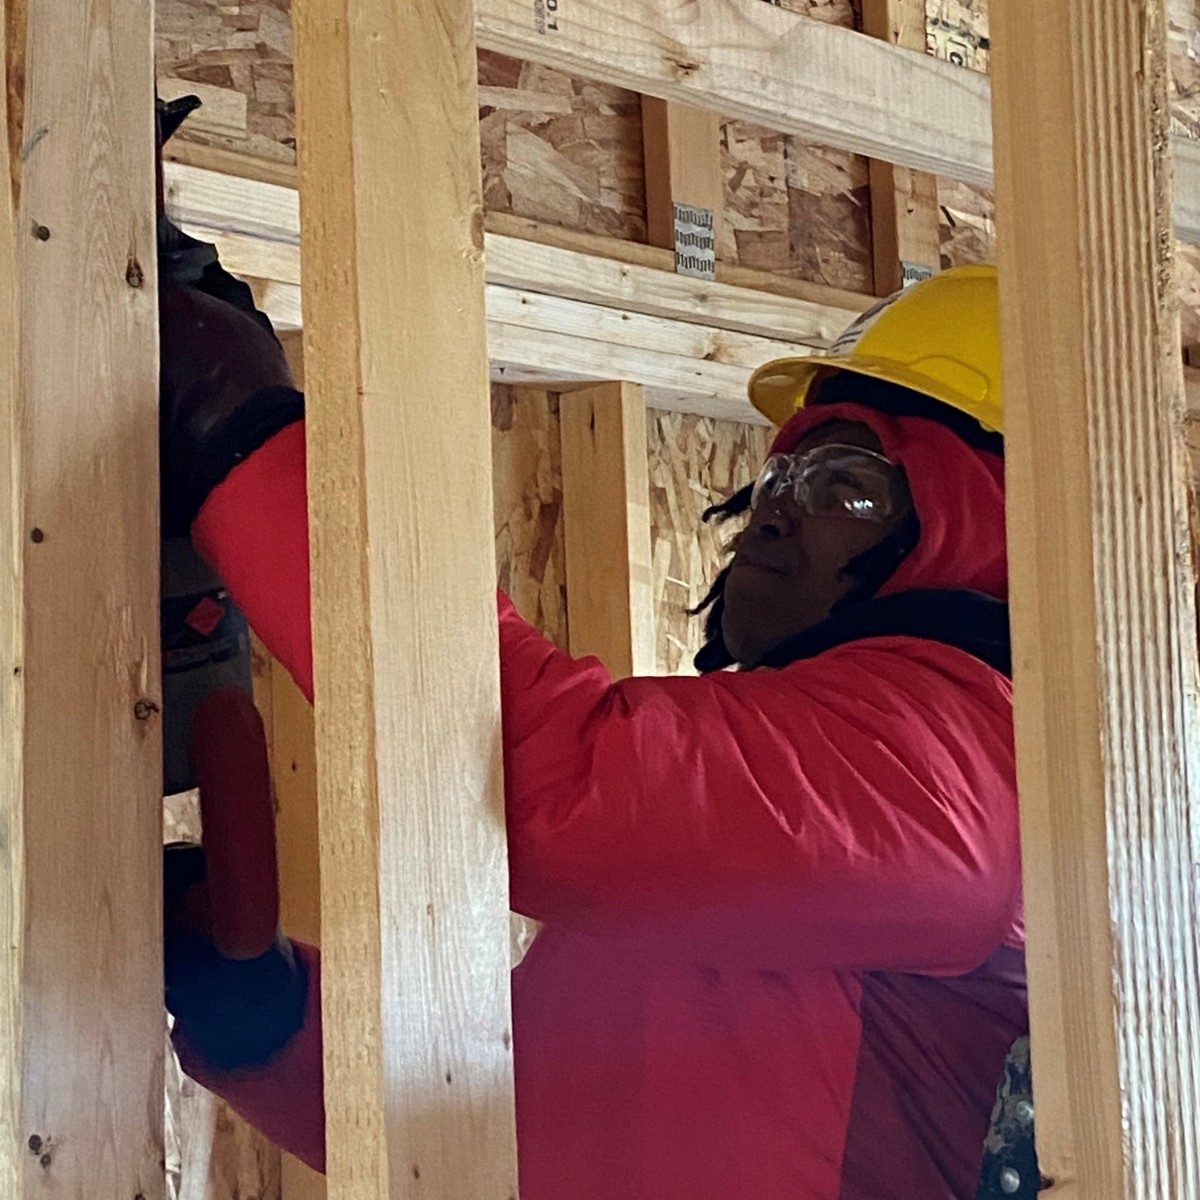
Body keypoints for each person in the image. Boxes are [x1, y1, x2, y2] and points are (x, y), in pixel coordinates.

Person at [161, 263, 1029, 1200]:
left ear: (983, 525)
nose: (775, 509)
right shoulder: (784, 824)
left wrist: (241, 440)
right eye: (781, 470)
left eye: (847, 484)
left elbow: (544, 785)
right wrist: (271, 1021)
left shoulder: (958, 764)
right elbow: (505, 1115)